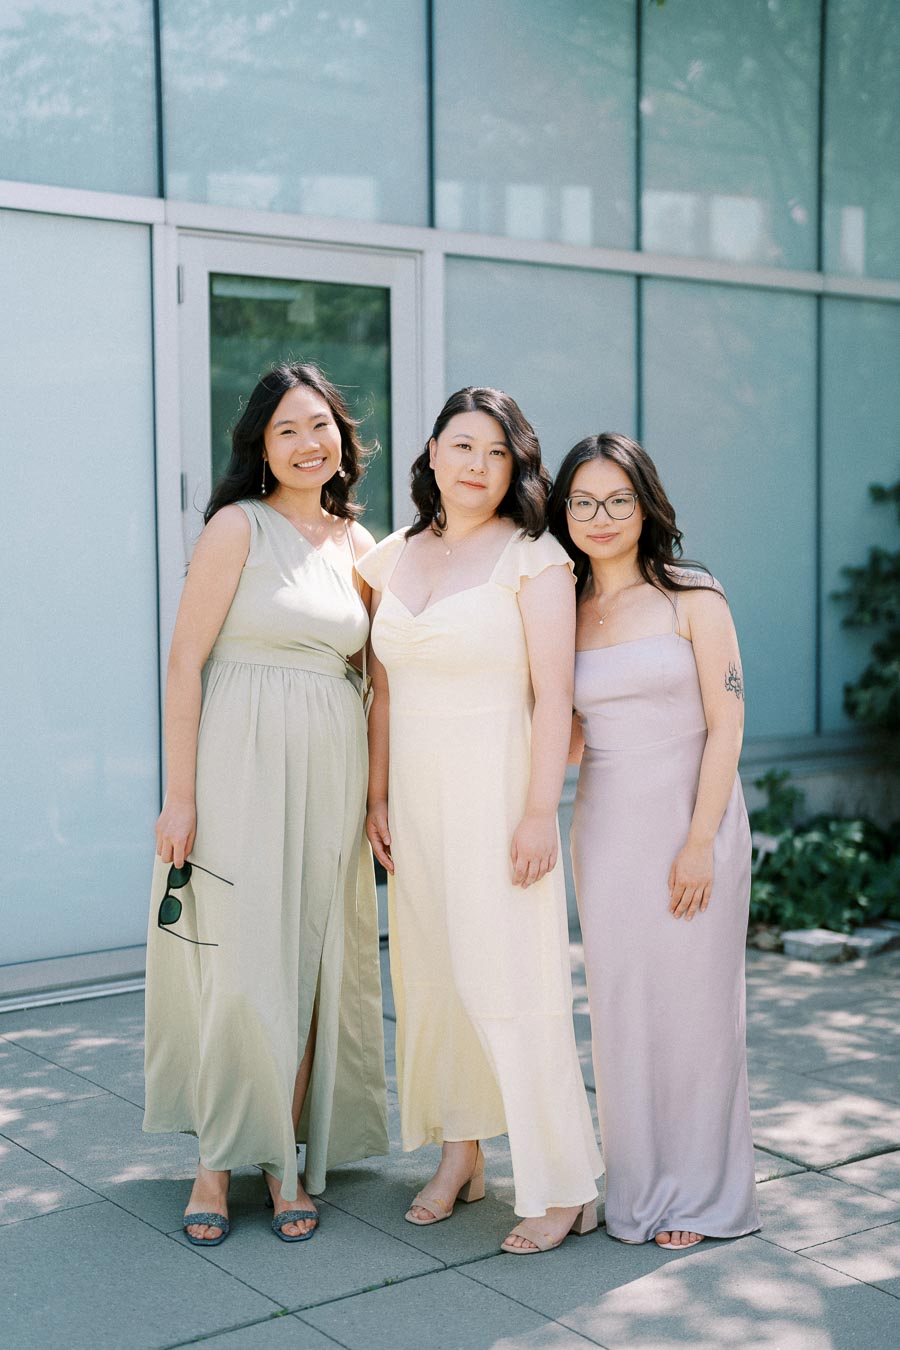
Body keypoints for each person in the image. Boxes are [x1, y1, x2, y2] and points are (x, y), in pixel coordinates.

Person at [144, 361, 388, 1247]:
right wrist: (180, 797)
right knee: (242, 963)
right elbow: (183, 663)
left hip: (330, 769)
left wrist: (379, 796)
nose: (306, 442)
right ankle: (215, 1162)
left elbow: (380, 678)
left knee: (310, 964)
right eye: (286, 429)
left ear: (341, 437)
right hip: (238, 764)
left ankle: (283, 1161)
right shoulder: (235, 529)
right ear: (260, 444)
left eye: (319, 424)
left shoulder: (363, 546)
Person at [356, 387, 602, 1256]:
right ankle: (461, 1157)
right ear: (430, 453)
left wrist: (542, 811)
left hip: (500, 795)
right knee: (433, 978)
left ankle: (565, 1184)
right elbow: (382, 688)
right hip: (416, 803)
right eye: (462, 446)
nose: (477, 465)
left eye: (497, 453)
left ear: (516, 466)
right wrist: (377, 796)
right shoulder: (390, 557)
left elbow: (555, 695)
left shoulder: (534, 558)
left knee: (514, 983)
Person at [549, 432, 760, 1250]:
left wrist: (700, 840)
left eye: (617, 500)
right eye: (583, 501)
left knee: (699, 1012)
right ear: (563, 511)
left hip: (692, 820)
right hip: (606, 830)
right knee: (625, 1011)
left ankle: (703, 1196)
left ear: (646, 505)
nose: (600, 517)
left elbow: (729, 716)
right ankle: (639, 1188)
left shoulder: (694, 596)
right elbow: (563, 733)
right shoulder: (562, 609)